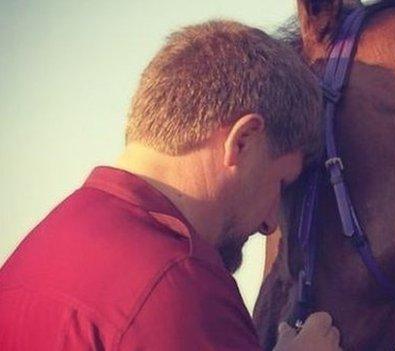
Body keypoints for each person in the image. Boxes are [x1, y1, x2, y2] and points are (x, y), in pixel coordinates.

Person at [0, 20, 341, 350]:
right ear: (243, 140)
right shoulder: (180, 285)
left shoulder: (35, 252)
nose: (270, 222)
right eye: (280, 182)